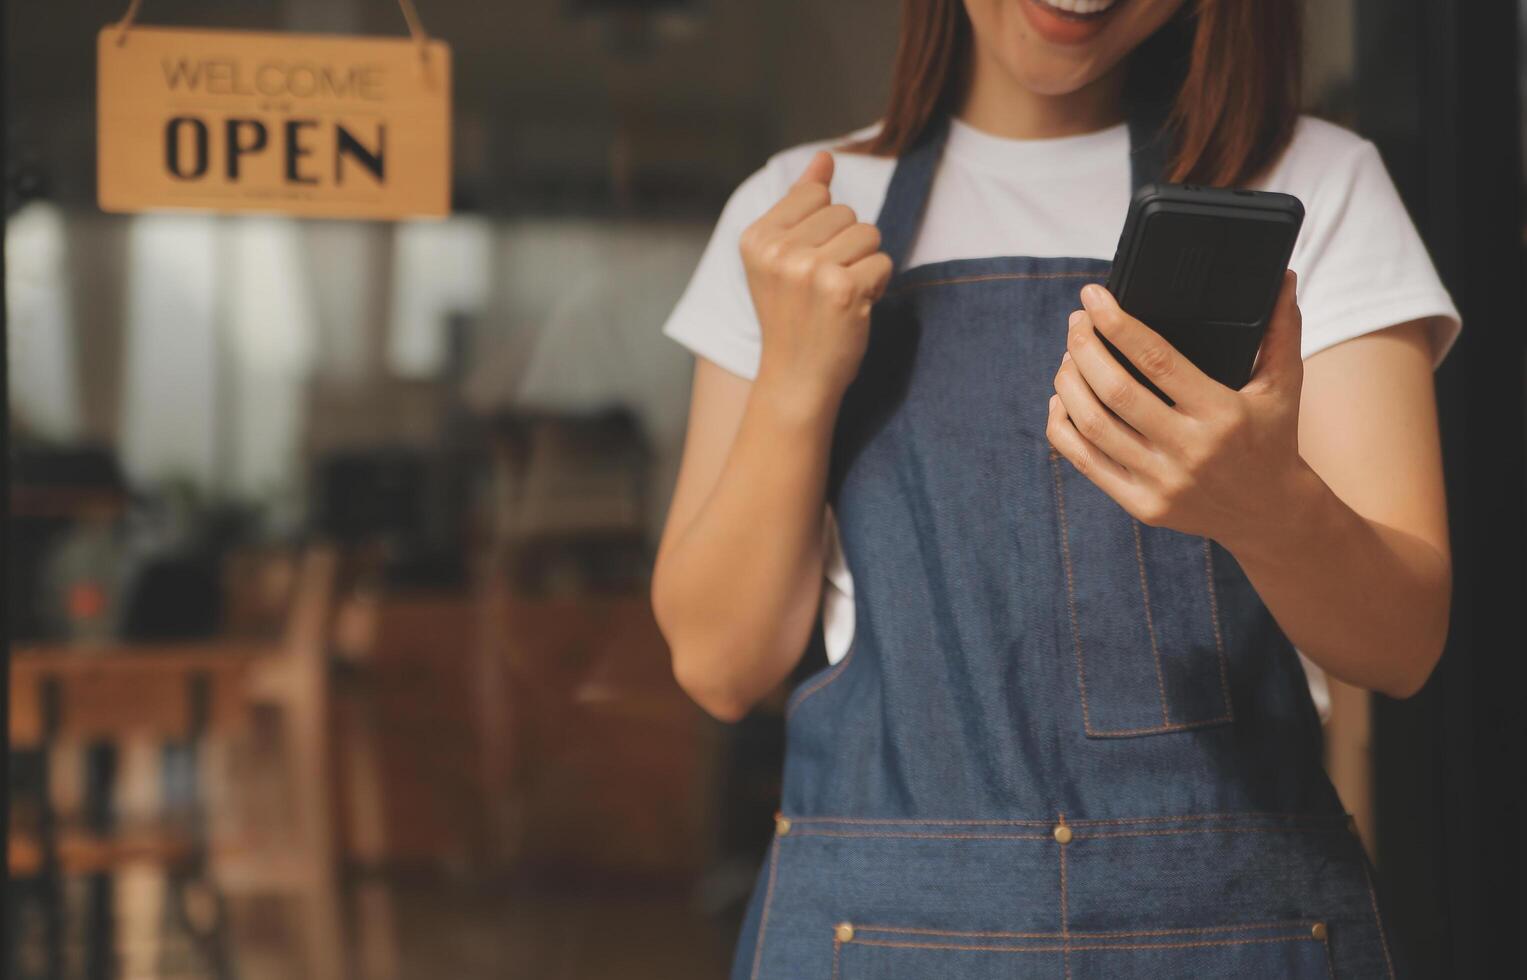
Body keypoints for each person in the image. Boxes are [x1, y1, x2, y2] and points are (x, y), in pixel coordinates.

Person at [651, 1, 1459, 976]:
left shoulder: (1316, 183)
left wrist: (1267, 505)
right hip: (876, 935)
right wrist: (793, 378)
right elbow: (719, 662)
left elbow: (1402, 643)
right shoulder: (795, 220)